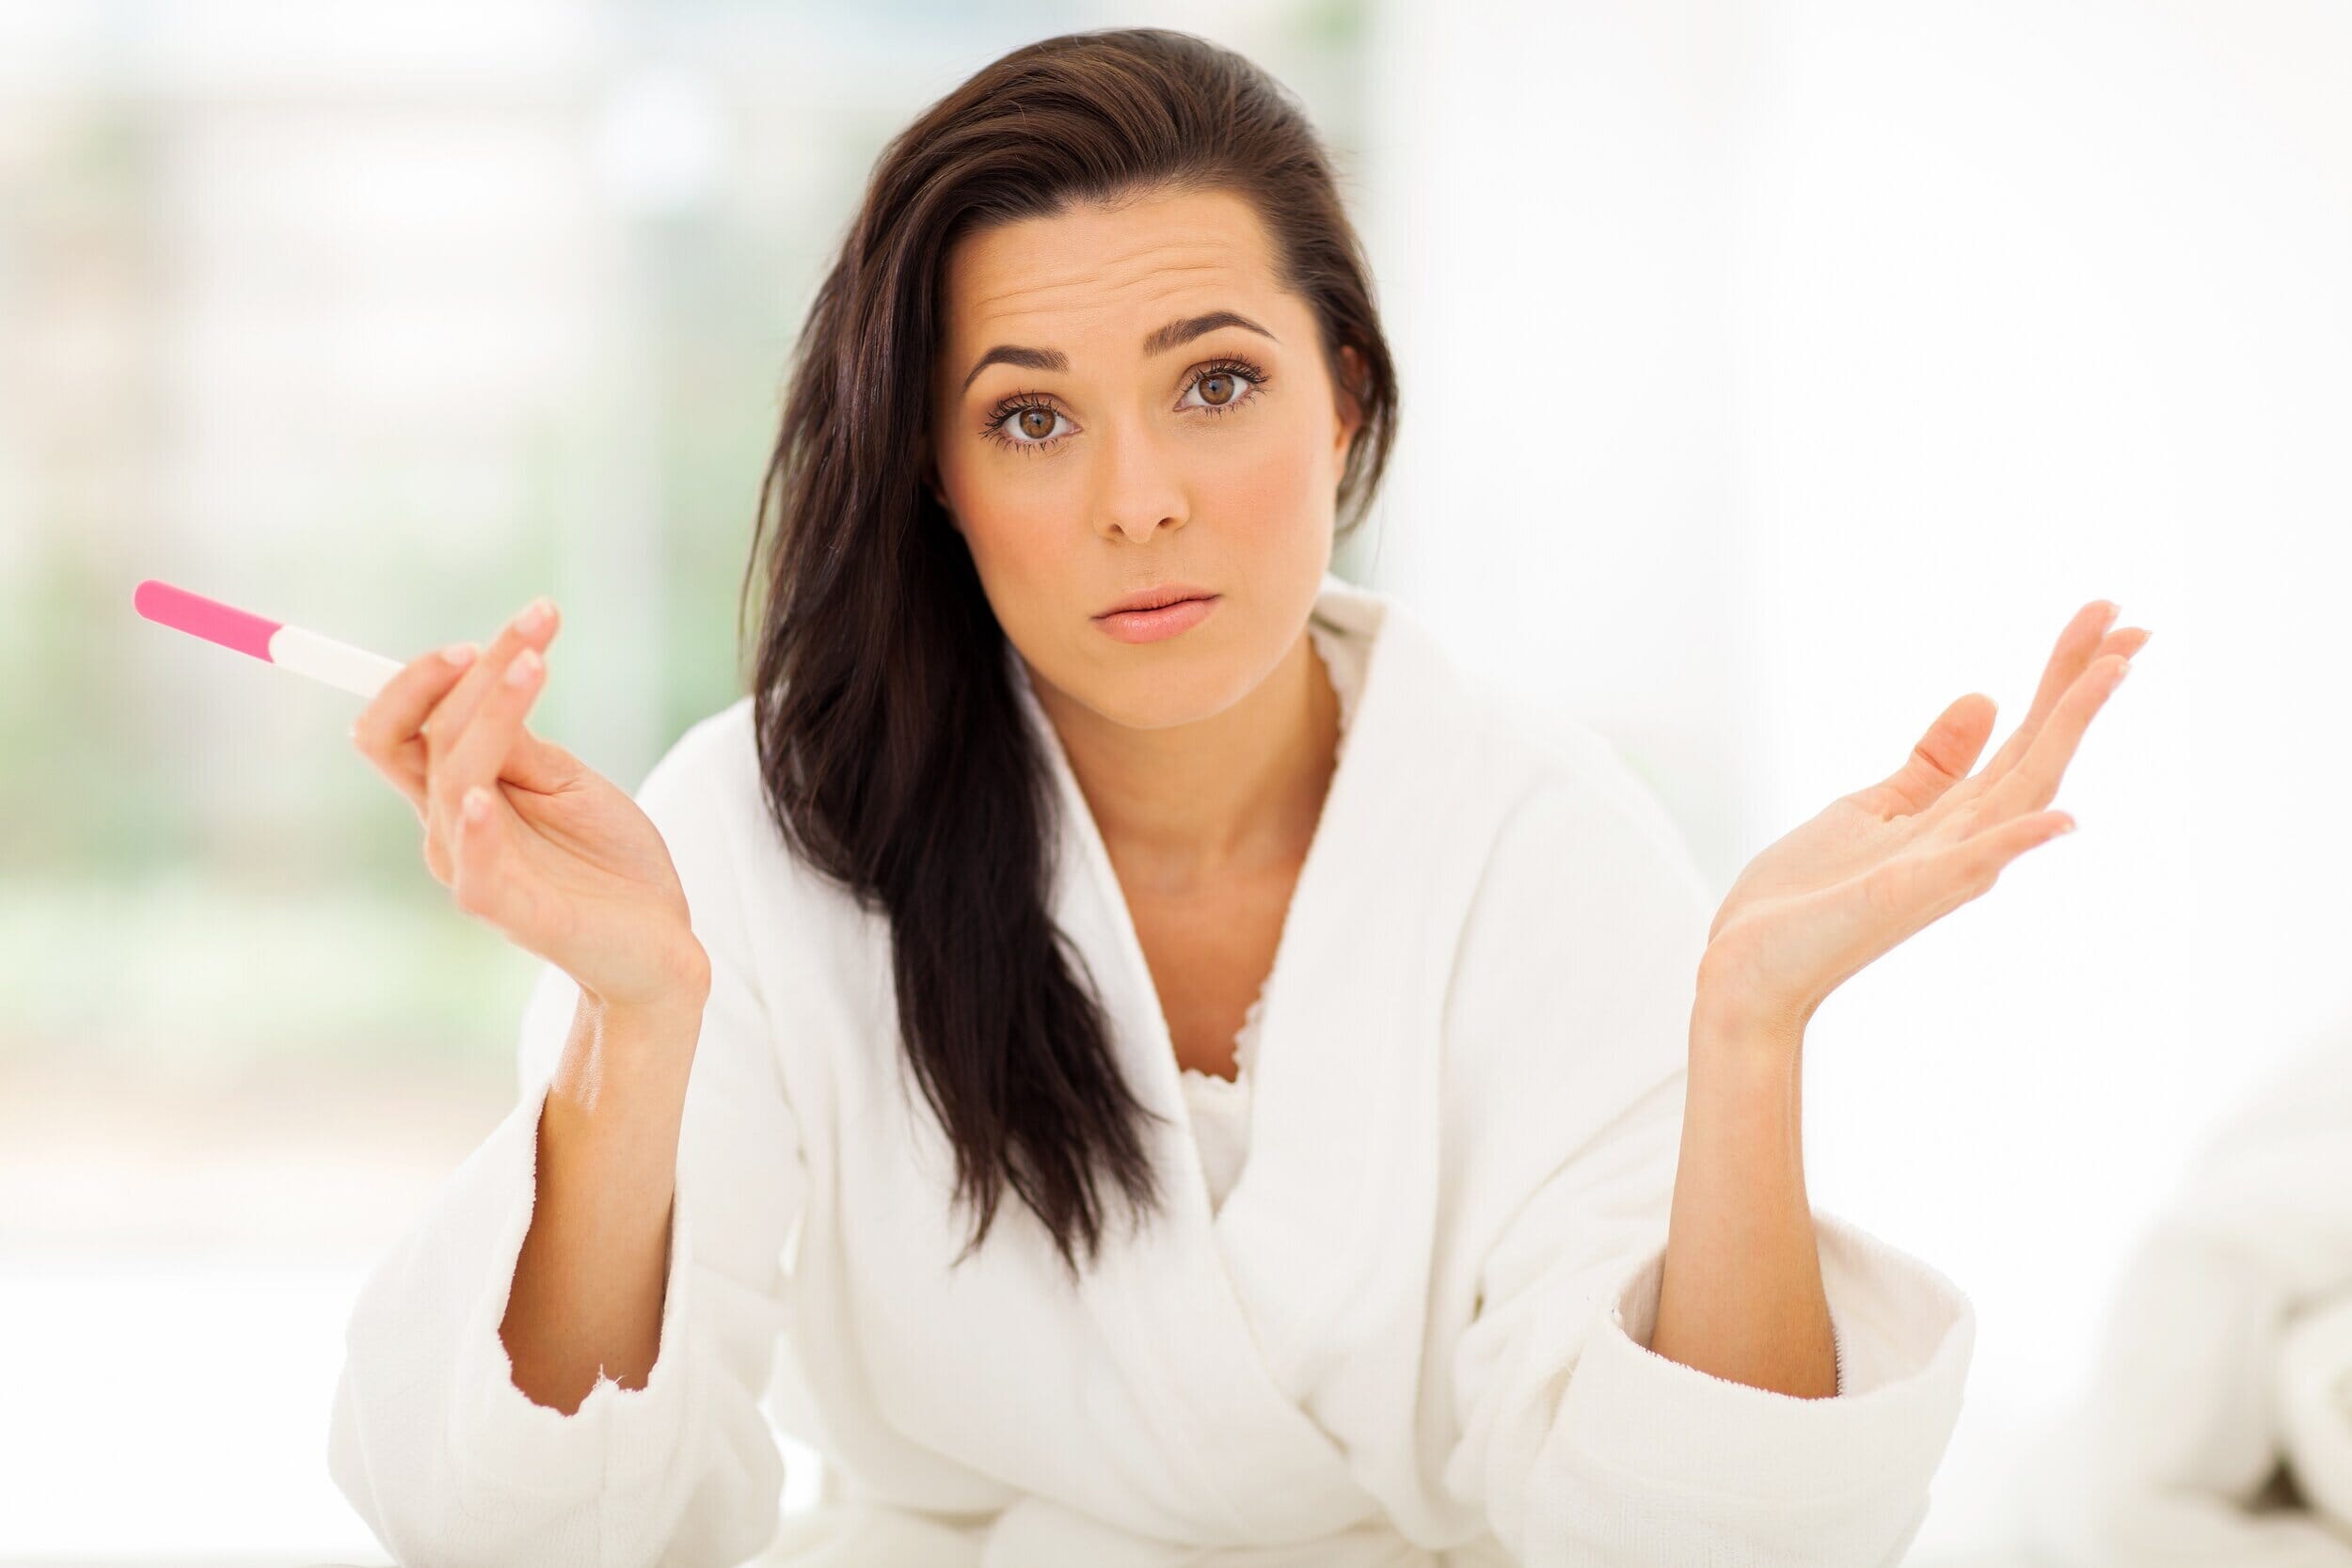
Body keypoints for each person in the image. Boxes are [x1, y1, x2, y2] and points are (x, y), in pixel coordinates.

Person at [328, 26, 2145, 1568]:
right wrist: (635, 1033)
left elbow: (1712, 1540)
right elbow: (538, 1535)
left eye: (1215, 385)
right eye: (1032, 417)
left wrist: (1752, 1031)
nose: (1140, 500)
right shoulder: (759, 828)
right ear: (939, 478)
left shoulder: (1542, 841)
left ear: (1343, 399)